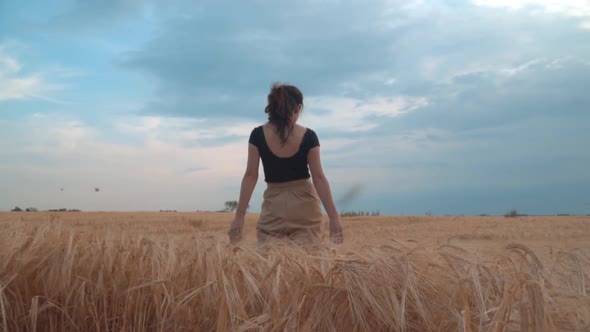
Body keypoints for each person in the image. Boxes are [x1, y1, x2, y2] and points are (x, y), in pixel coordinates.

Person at [227, 83, 344, 245]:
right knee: (308, 265)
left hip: (273, 208)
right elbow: (319, 178)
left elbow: (250, 176)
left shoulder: (257, 135)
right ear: (297, 108)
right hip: (305, 207)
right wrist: (334, 217)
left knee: (270, 265)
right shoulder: (309, 136)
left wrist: (239, 217)